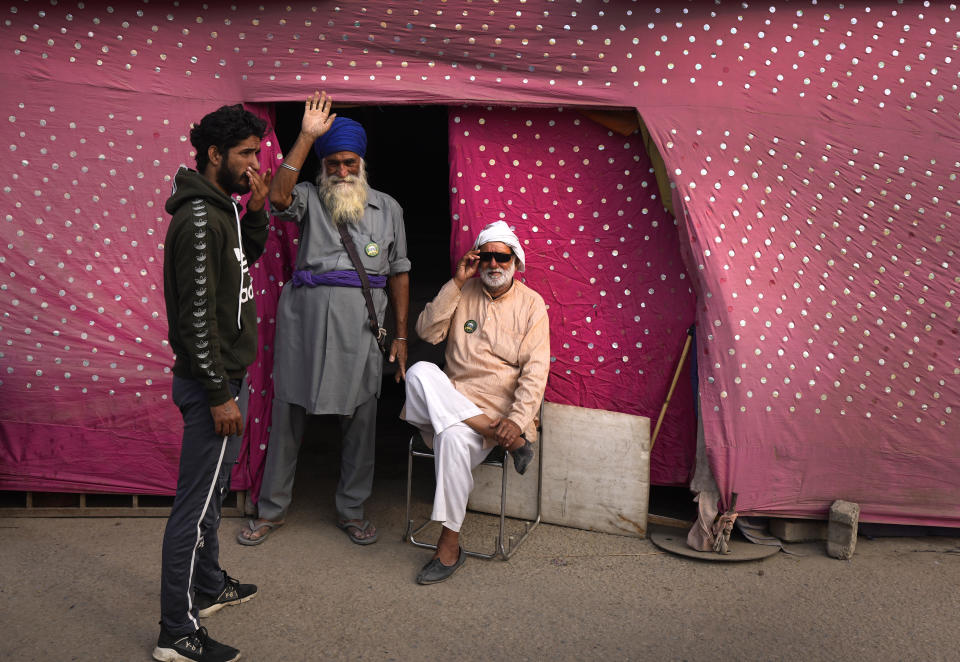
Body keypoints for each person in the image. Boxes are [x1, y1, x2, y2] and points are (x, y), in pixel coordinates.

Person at [238, 92, 411, 547]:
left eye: (348, 162)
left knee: (360, 417)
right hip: (306, 319)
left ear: (362, 162)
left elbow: (399, 272)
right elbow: (277, 196)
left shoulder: (389, 209)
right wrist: (305, 136)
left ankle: (351, 510)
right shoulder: (309, 196)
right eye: (332, 163)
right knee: (290, 410)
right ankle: (271, 509)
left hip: (362, 322)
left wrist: (401, 334)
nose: (341, 171)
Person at [157, 104, 272, 662]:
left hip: (227, 377)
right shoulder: (200, 218)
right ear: (213, 154)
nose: (255, 163)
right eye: (246, 153)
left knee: (212, 496)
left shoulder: (222, 210)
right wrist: (220, 392)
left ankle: (207, 586)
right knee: (194, 507)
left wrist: (257, 208)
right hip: (213, 385)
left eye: (257, 152)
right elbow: (195, 319)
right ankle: (176, 632)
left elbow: (244, 259)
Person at [402, 220, 550, 584]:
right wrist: (455, 282)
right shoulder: (462, 291)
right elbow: (426, 332)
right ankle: (509, 444)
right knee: (420, 370)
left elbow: (535, 372)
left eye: (502, 257)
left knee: (451, 437)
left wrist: (515, 421)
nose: (494, 264)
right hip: (460, 408)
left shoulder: (532, 306)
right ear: (477, 260)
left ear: (516, 261)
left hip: (497, 416)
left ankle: (449, 545)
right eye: (487, 257)